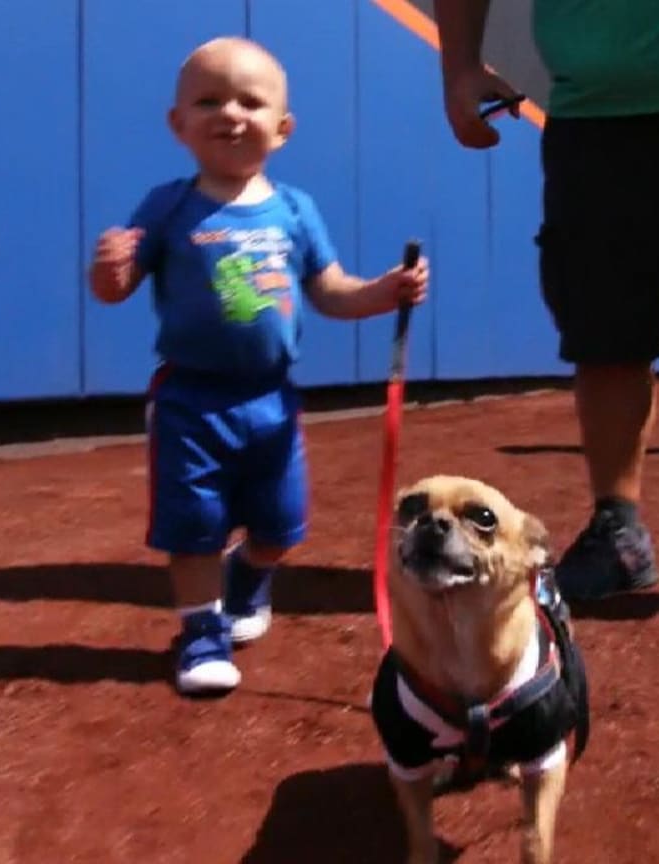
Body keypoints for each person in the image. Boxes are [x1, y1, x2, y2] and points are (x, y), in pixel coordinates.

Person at [87, 37, 429, 695]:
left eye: (251, 101)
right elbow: (116, 287)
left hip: (271, 399)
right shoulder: (168, 206)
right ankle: (202, 637)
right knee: (193, 531)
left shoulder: (295, 210)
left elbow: (329, 291)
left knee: (279, 525)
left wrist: (385, 291)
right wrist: (109, 268)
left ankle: (248, 576)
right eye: (209, 100)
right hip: (190, 400)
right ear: (178, 123)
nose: (231, 114)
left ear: (283, 127)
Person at [436, 1, 659, 601]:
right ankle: (616, 530)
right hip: (598, 120)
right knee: (605, 334)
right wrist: (461, 66)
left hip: (599, 118)